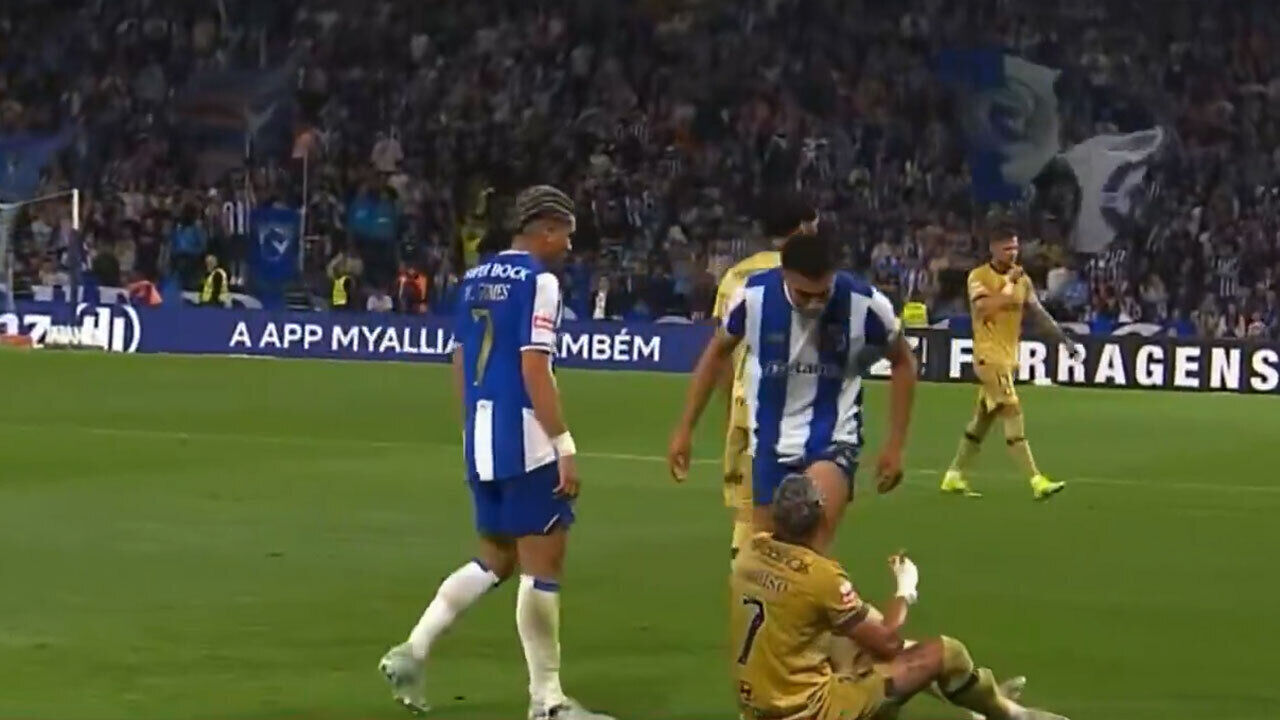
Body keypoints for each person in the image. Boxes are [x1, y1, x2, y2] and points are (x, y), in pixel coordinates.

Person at [378, 186, 611, 720]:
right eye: (566, 234)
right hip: (525, 437)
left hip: (481, 434)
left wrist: (472, 429)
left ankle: (413, 651)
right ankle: (547, 701)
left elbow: (461, 359)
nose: (569, 246)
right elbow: (535, 367)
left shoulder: (475, 278)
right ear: (545, 229)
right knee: (542, 563)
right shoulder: (540, 281)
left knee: (496, 558)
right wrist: (564, 444)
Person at [731, 473, 1069, 720]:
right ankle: (1009, 715)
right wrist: (906, 588)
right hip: (810, 712)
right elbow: (889, 644)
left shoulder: (749, 552)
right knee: (943, 653)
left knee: (857, 647)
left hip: (757, 707)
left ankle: (986, 702)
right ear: (821, 518)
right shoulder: (820, 578)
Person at [668, 233, 917, 555]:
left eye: (822, 294)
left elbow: (903, 361)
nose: (814, 304)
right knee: (769, 560)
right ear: (784, 275)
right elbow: (716, 353)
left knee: (807, 552)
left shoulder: (865, 303)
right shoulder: (753, 297)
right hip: (769, 445)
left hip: (832, 441)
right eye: (804, 295)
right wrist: (685, 429)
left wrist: (895, 445)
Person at [710, 192, 818, 561]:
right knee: (792, 511)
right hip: (787, 406)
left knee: (747, 511)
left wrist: (730, 404)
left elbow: (720, 348)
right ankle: (779, 582)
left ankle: (745, 579)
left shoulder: (735, 275)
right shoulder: (804, 274)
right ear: (801, 228)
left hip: (744, 399)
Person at [941, 227, 1084, 500]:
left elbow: (1038, 313)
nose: (1013, 253)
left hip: (1007, 358)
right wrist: (1008, 283)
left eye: (1016, 248)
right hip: (989, 357)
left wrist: (1063, 340)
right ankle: (1036, 480)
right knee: (1013, 413)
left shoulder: (1022, 280)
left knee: (982, 421)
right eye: (1007, 248)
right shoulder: (979, 277)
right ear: (993, 248)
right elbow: (984, 308)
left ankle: (954, 474)